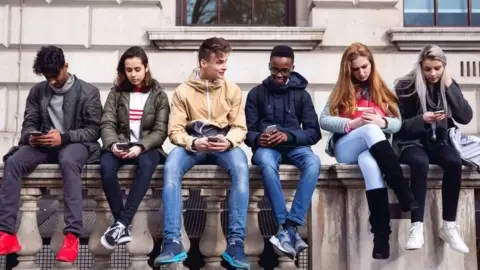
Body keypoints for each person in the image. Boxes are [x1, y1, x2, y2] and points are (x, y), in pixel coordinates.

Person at [154, 37, 250, 269]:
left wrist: (227, 141)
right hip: (193, 145)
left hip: (223, 145)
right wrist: (193, 143)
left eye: (225, 62)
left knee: (240, 167)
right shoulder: (182, 91)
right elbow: (174, 131)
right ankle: (172, 241)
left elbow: (240, 127)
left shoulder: (233, 90)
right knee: (171, 166)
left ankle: (236, 243)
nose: (224, 67)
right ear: (203, 62)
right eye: (219, 62)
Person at [0, 45, 102, 262]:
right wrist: (32, 137)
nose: (52, 81)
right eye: (48, 77)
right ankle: (6, 233)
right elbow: (28, 124)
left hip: (74, 145)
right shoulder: (38, 92)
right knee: (14, 161)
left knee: (68, 160)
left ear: (65, 66)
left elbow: (94, 130)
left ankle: (72, 235)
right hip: (44, 146)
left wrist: (63, 137)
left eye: (55, 75)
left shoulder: (88, 92)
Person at [319, 42, 418, 260]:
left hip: (371, 149)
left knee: (370, 164)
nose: (362, 72)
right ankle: (403, 192)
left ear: (371, 64)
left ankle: (381, 236)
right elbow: (323, 120)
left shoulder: (381, 89)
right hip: (346, 147)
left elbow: (398, 123)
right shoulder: (342, 89)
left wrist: (381, 121)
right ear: (348, 69)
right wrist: (352, 124)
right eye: (356, 69)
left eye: (365, 66)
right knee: (370, 130)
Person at [394, 44, 472, 253]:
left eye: (437, 68)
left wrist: (450, 87)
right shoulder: (405, 86)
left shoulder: (447, 85)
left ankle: (449, 226)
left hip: (439, 142)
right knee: (420, 163)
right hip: (410, 143)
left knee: (454, 162)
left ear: (444, 66)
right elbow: (398, 126)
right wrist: (422, 119)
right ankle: (416, 226)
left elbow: (466, 117)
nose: (432, 73)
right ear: (421, 66)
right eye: (427, 69)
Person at [245, 45, 321, 259]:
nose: (279, 75)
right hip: (267, 148)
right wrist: (258, 138)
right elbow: (246, 131)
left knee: (313, 162)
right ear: (269, 66)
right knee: (267, 165)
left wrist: (289, 136)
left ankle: (290, 225)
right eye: (274, 69)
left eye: (284, 71)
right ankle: (284, 225)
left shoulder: (302, 96)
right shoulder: (256, 94)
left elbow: (313, 133)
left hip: (295, 147)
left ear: (292, 68)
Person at [99, 46, 169, 250]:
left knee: (147, 165)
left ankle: (121, 223)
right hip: (120, 145)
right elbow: (107, 123)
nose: (133, 74)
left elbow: (160, 131)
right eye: (129, 70)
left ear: (146, 67)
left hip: (147, 148)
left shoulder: (159, 95)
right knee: (105, 167)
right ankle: (121, 224)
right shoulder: (116, 94)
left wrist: (140, 146)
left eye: (137, 69)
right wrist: (112, 145)